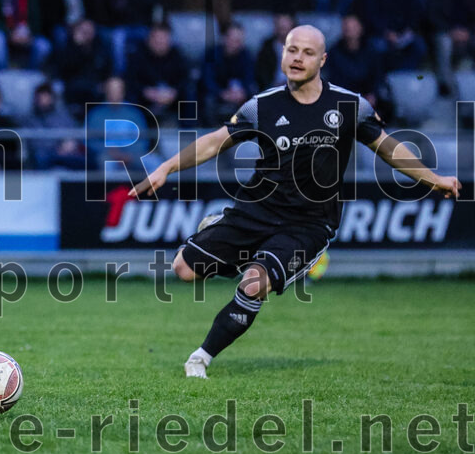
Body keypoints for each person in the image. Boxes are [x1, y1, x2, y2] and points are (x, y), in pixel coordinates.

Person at [132, 25, 460, 379]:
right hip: (255, 210)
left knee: (254, 283)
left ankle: (200, 358)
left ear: (323, 59)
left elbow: (389, 148)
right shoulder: (262, 107)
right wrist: (166, 167)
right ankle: (227, 236)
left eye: (307, 52)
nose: (297, 58)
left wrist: (434, 178)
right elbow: (215, 142)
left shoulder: (350, 106)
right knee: (183, 270)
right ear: (282, 55)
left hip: (309, 223)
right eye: (291, 50)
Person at [85, 75, 155, 174]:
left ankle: (154, 189)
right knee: (105, 162)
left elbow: (143, 140)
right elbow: (90, 141)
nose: (114, 93)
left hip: (133, 154)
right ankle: (111, 190)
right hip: (107, 155)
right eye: (111, 90)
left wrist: (129, 154)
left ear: (123, 91)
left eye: (118, 90)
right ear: (105, 91)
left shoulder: (134, 113)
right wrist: (112, 152)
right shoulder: (95, 114)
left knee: (155, 162)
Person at [100, 0, 155, 75]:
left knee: (158, 38)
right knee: (118, 39)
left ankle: (148, 75)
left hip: (142, 27)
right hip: (119, 28)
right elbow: (108, 14)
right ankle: (120, 75)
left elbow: (149, 9)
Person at [429, 0, 475, 91]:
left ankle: (470, 88)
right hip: (445, 32)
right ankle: (448, 86)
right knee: (444, 43)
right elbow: (432, 15)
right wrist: (450, 31)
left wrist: (468, 32)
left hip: (468, 33)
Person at [127, 22, 185, 120]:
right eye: (157, 40)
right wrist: (145, 92)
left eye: (164, 39)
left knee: (189, 97)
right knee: (131, 97)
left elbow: (185, 79)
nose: (160, 43)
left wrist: (174, 92)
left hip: (171, 97)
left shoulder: (177, 55)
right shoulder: (137, 55)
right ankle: (139, 130)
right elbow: (130, 80)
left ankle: (189, 130)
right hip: (145, 98)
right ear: (149, 39)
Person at [22, 82, 84, 170]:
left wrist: (71, 143)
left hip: (67, 154)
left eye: (46, 96)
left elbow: (76, 135)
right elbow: (35, 144)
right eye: (40, 97)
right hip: (44, 156)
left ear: (52, 98)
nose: (43, 100)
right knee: (41, 157)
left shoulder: (63, 116)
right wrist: (57, 149)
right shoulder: (30, 120)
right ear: (35, 99)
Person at [323, 14, 382, 106]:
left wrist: (373, 94)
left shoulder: (371, 51)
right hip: (342, 98)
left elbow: (377, 76)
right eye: (347, 27)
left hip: (367, 97)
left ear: (361, 29)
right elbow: (333, 79)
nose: (350, 30)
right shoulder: (334, 52)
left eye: (353, 27)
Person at [202, 21, 254, 125]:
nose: (236, 43)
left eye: (239, 40)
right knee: (208, 99)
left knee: (256, 97)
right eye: (233, 39)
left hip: (239, 94)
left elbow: (250, 78)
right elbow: (208, 79)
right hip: (219, 94)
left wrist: (243, 91)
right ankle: (211, 131)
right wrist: (222, 93)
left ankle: (249, 131)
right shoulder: (212, 54)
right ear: (225, 38)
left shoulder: (246, 55)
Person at [254, 12, 295, 90]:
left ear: (292, 24)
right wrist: (272, 84)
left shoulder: (300, 45)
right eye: (280, 24)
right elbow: (261, 72)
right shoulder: (267, 46)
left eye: (285, 23)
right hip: (272, 88)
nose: (282, 25)